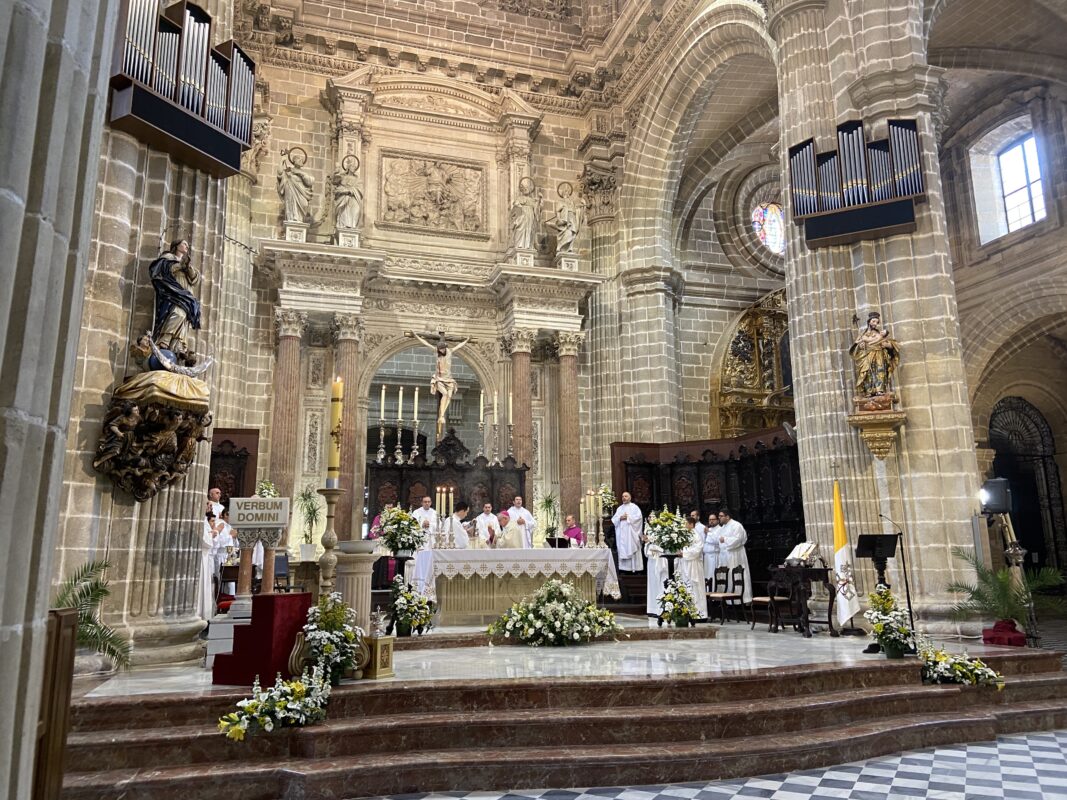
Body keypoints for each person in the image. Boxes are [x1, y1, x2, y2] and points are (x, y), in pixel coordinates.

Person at [149, 239, 201, 357]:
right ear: (176, 246)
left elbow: (195, 280)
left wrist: (188, 267)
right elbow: (163, 271)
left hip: (186, 295)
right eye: (184, 244)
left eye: (188, 245)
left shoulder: (187, 262)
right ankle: (164, 341)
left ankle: (177, 347)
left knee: (184, 320)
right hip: (173, 292)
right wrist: (180, 265)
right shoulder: (168, 258)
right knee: (178, 314)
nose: (186, 246)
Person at [849, 311, 901, 398]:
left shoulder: (879, 334)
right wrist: (860, 346)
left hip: (879, 355)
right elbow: (856, 347)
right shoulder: (863, 334)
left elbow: (890, 344)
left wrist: (888, 345)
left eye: (877, 322)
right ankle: (868, 390)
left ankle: (879, 390)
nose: (875, 324)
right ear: (869, 322)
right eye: (873, 321)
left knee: (880, 371)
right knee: (868, 372)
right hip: (867, 356)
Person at [717, 509, 752, 603]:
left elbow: (739, 539)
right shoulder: (723, 527)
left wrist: (725, 539)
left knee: (737, 575)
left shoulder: (736, 525)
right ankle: (728, 600)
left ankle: (742, 599)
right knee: (728, 576)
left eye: (721, 516)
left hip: (735, 554)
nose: (719, 518)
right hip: (726, 555)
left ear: (727, 516)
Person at [680, 518, 709, 620]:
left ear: (691, 524)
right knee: (687, 587)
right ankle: (689, 611)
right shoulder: (686, 535)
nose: (684, 525)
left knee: (696, 588)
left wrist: (684, 553)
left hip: (694, 565)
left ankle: (699, 613)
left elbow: (697, 550)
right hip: (687, 563)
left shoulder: (696, 535)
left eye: (685, 523)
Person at [611, 491, 644, 572]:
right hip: (622, 534)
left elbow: (639, 518)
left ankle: (635, 569)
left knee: (632, 548)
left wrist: (628, 518)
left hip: (631, 535)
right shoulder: (619, 508)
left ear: (630, 498)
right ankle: (624, 569)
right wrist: (620, 518)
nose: (624, 498)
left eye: (626, 496)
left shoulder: (634, 507)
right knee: (623, 549)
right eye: (622, 496)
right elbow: (614, 520)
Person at [509, 175, 542, 250]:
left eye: (527, 188)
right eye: (524, 188)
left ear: (530, 190)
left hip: (530, 217)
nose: (525, 189)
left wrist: (540, 199)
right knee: (520, 229)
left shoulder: (533, 200)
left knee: (529, 230)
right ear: (522, 190)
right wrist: (518, 206)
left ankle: (527, 246)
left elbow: (537, 209)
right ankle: (519, 245)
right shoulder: (519, 198)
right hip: (522, 217)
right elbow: (515, 209)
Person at [368, 503, 397, 581]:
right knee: (380, 563)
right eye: (388, 507)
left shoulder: (395, 518)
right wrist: (383, 533)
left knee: (389, 563)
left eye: (391, 507)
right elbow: (374, 531)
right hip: (380, 544)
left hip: (390, 544)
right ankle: (377, 582)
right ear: (384, 508)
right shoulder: (379, 518)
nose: (389, 509)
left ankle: (388, 583)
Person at [198, 510, 218, 620]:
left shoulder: (204, 521)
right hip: (202, 556)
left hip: (205, 556)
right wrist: (213, 533)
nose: (209, 506)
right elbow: (206, 541)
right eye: (207, 504)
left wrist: (212, 534)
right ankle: (201, 614)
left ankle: (205, 614)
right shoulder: (202, 521)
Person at [212, 509, 236, 595]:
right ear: (226, 514)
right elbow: (219, 541)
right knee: (222, 579)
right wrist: (231, 536)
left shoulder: (229, 525)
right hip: (222, 555)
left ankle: (230, 599)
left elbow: (233, 544)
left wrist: (234, 537)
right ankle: (222, 598)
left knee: (232, 580)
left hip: (230, 554)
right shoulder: (220, 524)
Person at [643, 532, 665, 616]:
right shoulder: (650, 532)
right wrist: (647, 543)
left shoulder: (661, 532)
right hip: (651, 563)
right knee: (652, 585)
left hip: (659, 561)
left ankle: (660, 609)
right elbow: (646, 553)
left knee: (659, 584)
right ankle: (652, 608)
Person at [703, 512, 721, 581]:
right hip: (707, 556)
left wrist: (708, 533)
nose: (711, 521)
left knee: (713, 575)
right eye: (710, 519)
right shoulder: (709, 529)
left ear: (717, 520)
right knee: (707, 576)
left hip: (715, 555)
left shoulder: (720, 529)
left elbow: (717, 541)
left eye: (713, 519)